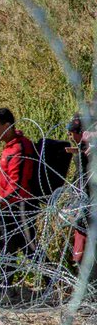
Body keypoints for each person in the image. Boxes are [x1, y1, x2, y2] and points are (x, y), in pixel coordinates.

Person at [0, 107, 38, 304]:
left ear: (7, 126)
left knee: (28, 248)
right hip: (9, 206)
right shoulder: (10, 146)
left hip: (19, 207)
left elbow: (19, 186)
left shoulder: (19, 148)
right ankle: (4, 287)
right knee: (9, 248)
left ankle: (55, 283)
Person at [65, 113, 94, 272]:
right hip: (85, 203)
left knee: (83, 238)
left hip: (87, 205)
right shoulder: (85, 149)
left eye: (72, 133)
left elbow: (82, 181)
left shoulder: (87, 152)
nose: (70, 136)